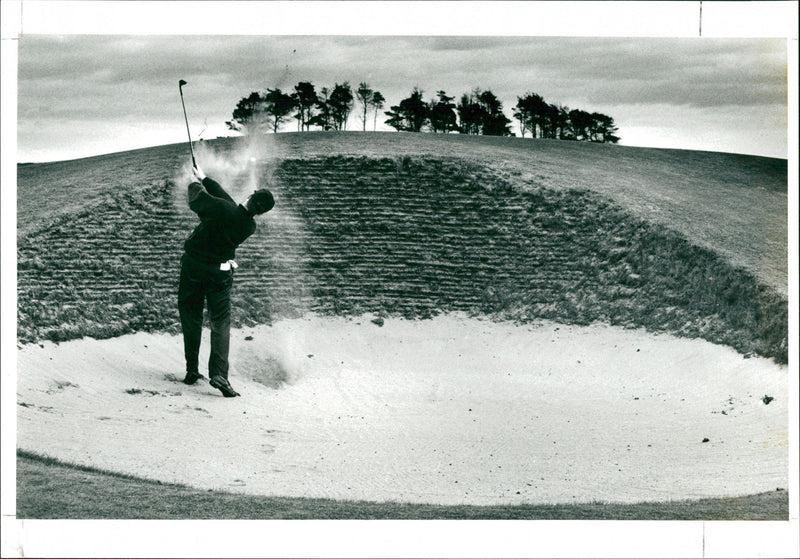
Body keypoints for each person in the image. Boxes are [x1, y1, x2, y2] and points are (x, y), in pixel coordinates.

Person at [178, 165, 274, 397]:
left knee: (191, 315)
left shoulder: (223, 209)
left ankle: (192, 370)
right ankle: (220, 374)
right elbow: (229, 204)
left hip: (194, 268)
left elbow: (197, 200)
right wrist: (205, 177)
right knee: (220, 323)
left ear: (251, 196)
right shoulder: (248, 225)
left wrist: (194, 182)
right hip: (220, 274)